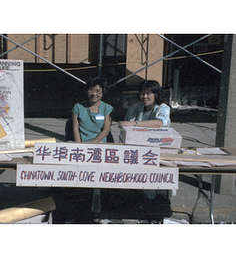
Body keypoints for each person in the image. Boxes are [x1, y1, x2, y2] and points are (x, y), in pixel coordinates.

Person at [119, 80, 171, 200]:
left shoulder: (163, 108)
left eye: (148, 93)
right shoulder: (135, 107)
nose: (145, 97)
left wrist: (135, 123)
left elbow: (159, 123)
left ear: (156, 94)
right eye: (142, 93)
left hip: (156, 151)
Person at [71, 77, 114, 213]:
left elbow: (106, 130)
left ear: (103, 92)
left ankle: (97, 194)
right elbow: (75, 129)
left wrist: (92, 145)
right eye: (91, 90)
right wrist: (80, 146)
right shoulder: (78, 107)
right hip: (81, 143)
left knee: (96, 167)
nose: (94, 94)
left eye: (98, 91)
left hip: (99, 144)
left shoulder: (106, 108)